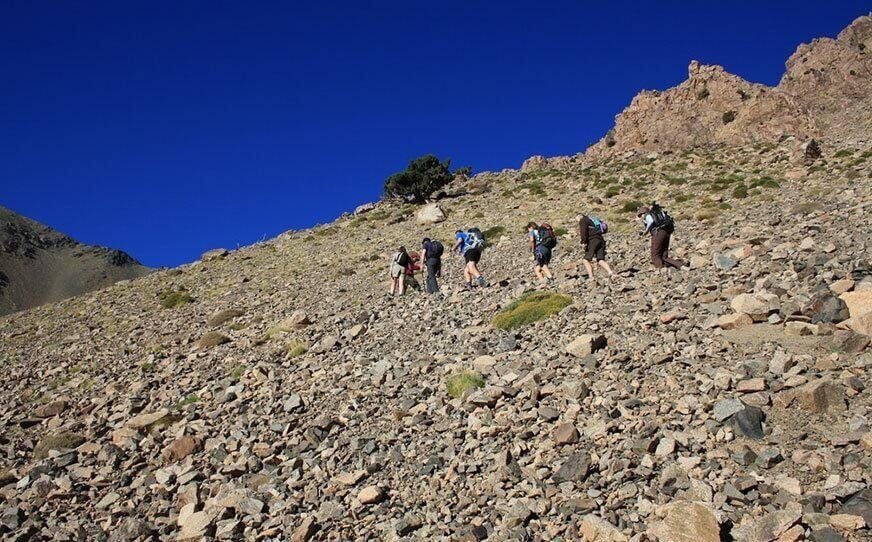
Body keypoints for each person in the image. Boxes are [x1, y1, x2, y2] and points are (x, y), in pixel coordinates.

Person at [638, 203, 686, 270]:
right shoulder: (658, 213)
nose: (641, 217)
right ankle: (681, 265)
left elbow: (651, 221)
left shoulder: (647, 215)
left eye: (641, 215)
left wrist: (646, 231)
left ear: (643, 212)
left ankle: (660, 270)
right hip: (666, 232)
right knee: (664, 256)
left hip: (658, 234)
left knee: (655, 254)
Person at [579, 214, 615, 280]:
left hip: (592, 240)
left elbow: (583, 232)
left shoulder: (583, 220)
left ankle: (591, 277)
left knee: (586, 259)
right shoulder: (592, 219)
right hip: (601, 240)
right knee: (600, 259)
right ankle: (611, 273)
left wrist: (583, 242)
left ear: (579, 217)